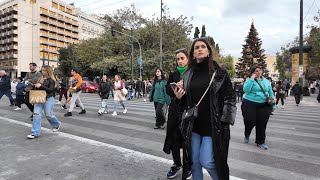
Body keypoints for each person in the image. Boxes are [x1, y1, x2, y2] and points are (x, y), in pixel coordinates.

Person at [174, 38, 236, 180]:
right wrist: (179, 96)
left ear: (208, 51)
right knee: (194, 162)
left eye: (203, 47)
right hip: (193, 125)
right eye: (196, 48)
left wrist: (225, 122)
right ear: (193, 53)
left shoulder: (219, 73)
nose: (199, 49)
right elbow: (185, 102)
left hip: (212, 125)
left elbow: (230, 97)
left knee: (207, 161)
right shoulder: (188, 74)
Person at [163, 48, 191, 179]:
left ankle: (188, 166)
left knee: (186, 139)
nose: (180, 61)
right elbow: (168, 89)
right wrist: (174, 91)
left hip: (188, 110)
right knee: (174, 137)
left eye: (182, 58)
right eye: (178, 59)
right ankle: (176, 163)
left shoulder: (192, 73)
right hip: (175, 109)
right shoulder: (173, 74)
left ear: (188, 59)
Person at [241, 66, 276, 150]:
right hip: (250, 103)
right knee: (250, 121)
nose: (258, 72)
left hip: (264, 104)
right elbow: (246, 90)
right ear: (253, 72)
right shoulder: (249, 80)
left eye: (260, 70)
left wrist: (273, 105)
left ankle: (260, 142)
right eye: (256, 71)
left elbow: (270, 93)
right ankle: (247, 133)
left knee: (262, 123)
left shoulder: (266, 81)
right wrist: (252, 79)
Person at [27, 66, 61, 139]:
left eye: (44, 71)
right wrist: (34, 85)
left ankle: (56, 124)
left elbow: (50, 90)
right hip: (39, 98)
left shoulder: (52, 80)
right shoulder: (40, 78)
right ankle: (35, 132)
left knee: (49, 115)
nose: (43, 72)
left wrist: (41, 86)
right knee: (36, 115)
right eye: (42, 70)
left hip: (48, 98)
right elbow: (38, 88)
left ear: (48, 71)